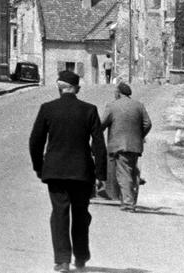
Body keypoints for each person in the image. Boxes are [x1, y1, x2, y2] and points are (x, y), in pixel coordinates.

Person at [28, 69, 108, 272]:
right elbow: (99, 144)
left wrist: (39, 167)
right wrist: (101, 175)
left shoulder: (47, 108)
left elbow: (35, 141)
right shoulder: (89, 110)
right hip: (82, 173)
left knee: (59, 213)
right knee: (81, 214)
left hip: (55, 171)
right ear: (77, 89)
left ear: (59, 87)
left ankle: (62, 260)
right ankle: (80, 258)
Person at [101, 82, 152, 212]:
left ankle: (128, 203)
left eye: (115, 91)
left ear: (118, 93)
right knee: (131, 171)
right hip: (135, 146)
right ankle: (129, 199)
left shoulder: (112, 106)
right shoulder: (139, 106)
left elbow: (101, 124)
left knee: (123, 173)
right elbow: (147, 124)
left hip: (119, 146)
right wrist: (139, 135)